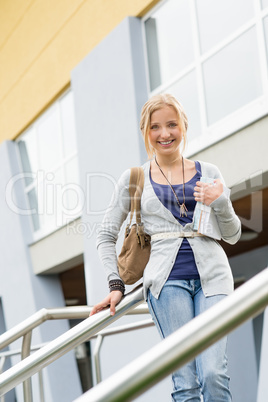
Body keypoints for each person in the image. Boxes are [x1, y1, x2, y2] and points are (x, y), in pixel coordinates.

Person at [90, 93, 241, 401]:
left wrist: (221, 201)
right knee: (184, 379)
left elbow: (234, 235)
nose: (164, 134)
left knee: (213, 373)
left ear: (183, 126)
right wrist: (115, 283)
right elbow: (105, 234)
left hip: (214, 279)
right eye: (155, 127)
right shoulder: (134, 178)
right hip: (166, 284)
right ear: (146, 132)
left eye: (171, 124)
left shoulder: (209, 172)